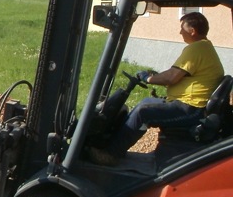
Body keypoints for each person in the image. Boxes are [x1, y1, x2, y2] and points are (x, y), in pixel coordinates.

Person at [90, 12, 224, 165]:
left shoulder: (196, 48)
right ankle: (113, 147)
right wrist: (154, 76)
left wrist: (148, 78)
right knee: (145, 102)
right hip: (188, 104)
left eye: (182, 28)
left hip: (190, 109)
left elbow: (172, 77)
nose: (180, 32)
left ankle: (111, 154)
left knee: (143, 112)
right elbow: (178, 73)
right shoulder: (204, 47)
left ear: (192, 31)